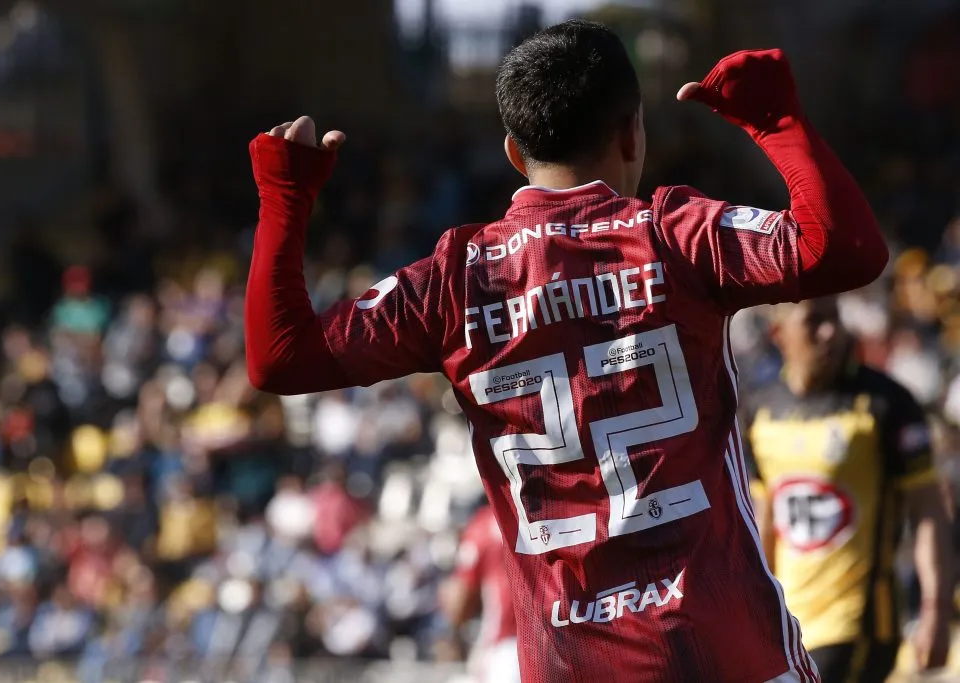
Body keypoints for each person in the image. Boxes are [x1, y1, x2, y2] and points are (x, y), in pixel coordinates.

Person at [244, 20, 889, 683]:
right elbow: (848, 249)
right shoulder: (674, 234)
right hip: (730, 650)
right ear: (632, 132)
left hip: (571, 663)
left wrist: (285, 200)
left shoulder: (454, 279)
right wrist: (776, 120)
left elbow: (279, 357)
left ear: (514, 154)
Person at [743, 298, 953, 682]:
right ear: (779, 334)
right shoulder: (760, 410)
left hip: (861, 625)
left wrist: (935, 610)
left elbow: (928, 511)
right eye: (814, 322)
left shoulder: (885, 402)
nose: (832, 333)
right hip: (792, 626)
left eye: (835, 319)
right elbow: (765, 522)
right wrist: (759, 617)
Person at [441, 505, 520, 683]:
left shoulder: (487, 522)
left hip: (507, 647)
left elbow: (460, 606)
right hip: (565, 641)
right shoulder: (557, 509)